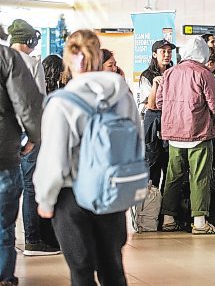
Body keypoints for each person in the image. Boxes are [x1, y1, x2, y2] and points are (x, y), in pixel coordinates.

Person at [34, 30, 140, 285]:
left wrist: (45, 200)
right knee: (113, 267)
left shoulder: (62, 103)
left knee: (81, 271)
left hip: (72, 197)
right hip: (112, 193)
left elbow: (54, 159)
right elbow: (137, 141)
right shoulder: (122, 95)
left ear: (69, 59)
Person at [158, 36, 215, 234]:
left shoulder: (169, 72)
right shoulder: (204, 73)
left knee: (173, 176)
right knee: (199, 177)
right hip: (198, 132)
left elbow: (160, 103)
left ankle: (168, 219)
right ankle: (199, 222)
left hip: (173, 133)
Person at [8, 19, 61, 257]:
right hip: (23, 133)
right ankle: (33, 240)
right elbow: (35, 103)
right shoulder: (31, 63)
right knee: (30, 186)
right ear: (30, 40)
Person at [0, 45, 43, 286]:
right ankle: (4, 278)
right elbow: (27, 103)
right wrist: (34, 137)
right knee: (2, 224)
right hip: (3, 154)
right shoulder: (6, 57)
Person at [139, 39, 175, 190]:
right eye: (163, 51)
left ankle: (166, 210)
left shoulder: (174, 72)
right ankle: (150, 209)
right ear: (154, 54)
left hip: (171, 121)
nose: (167, 55)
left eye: (169, 51)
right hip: (153, 122)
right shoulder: (146, 75)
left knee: (171, 167)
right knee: (153, 166)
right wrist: (155, 84)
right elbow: (151, 105)